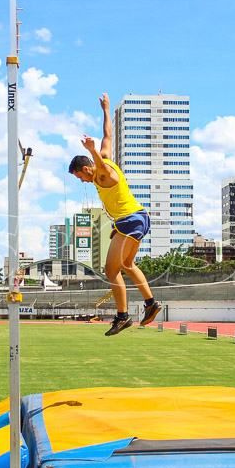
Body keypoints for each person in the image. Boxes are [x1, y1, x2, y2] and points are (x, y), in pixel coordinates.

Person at [69, 93, 161, 336]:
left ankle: (122, 317)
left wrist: (92, 150)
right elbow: (108, 135)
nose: (82, 181)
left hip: (130, 221)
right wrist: (106, 109)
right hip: (139, 217)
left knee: (111, 271)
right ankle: (151, 304)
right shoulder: (107, 159)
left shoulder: (102, 173)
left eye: (80, 176)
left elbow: (98, 166)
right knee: (128, 264)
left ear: (87, 168)